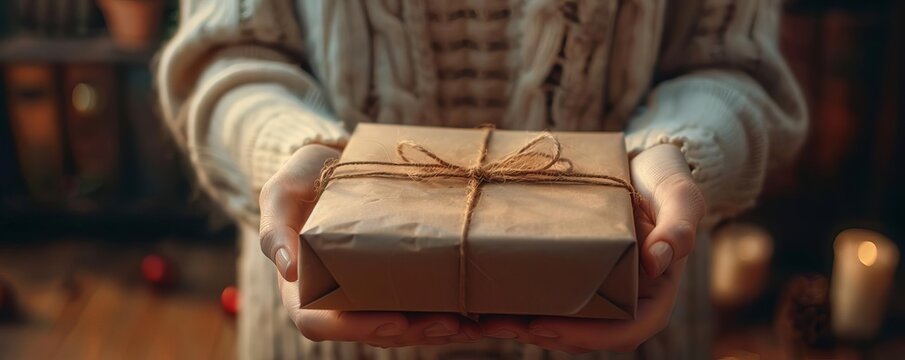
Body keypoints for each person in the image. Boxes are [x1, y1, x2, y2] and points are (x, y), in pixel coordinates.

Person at [156, 0, 806, 358]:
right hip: (325, 333)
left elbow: (732, 64)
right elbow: (227, 58)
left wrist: (679, 154)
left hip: (631, 319)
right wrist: (287, 152)